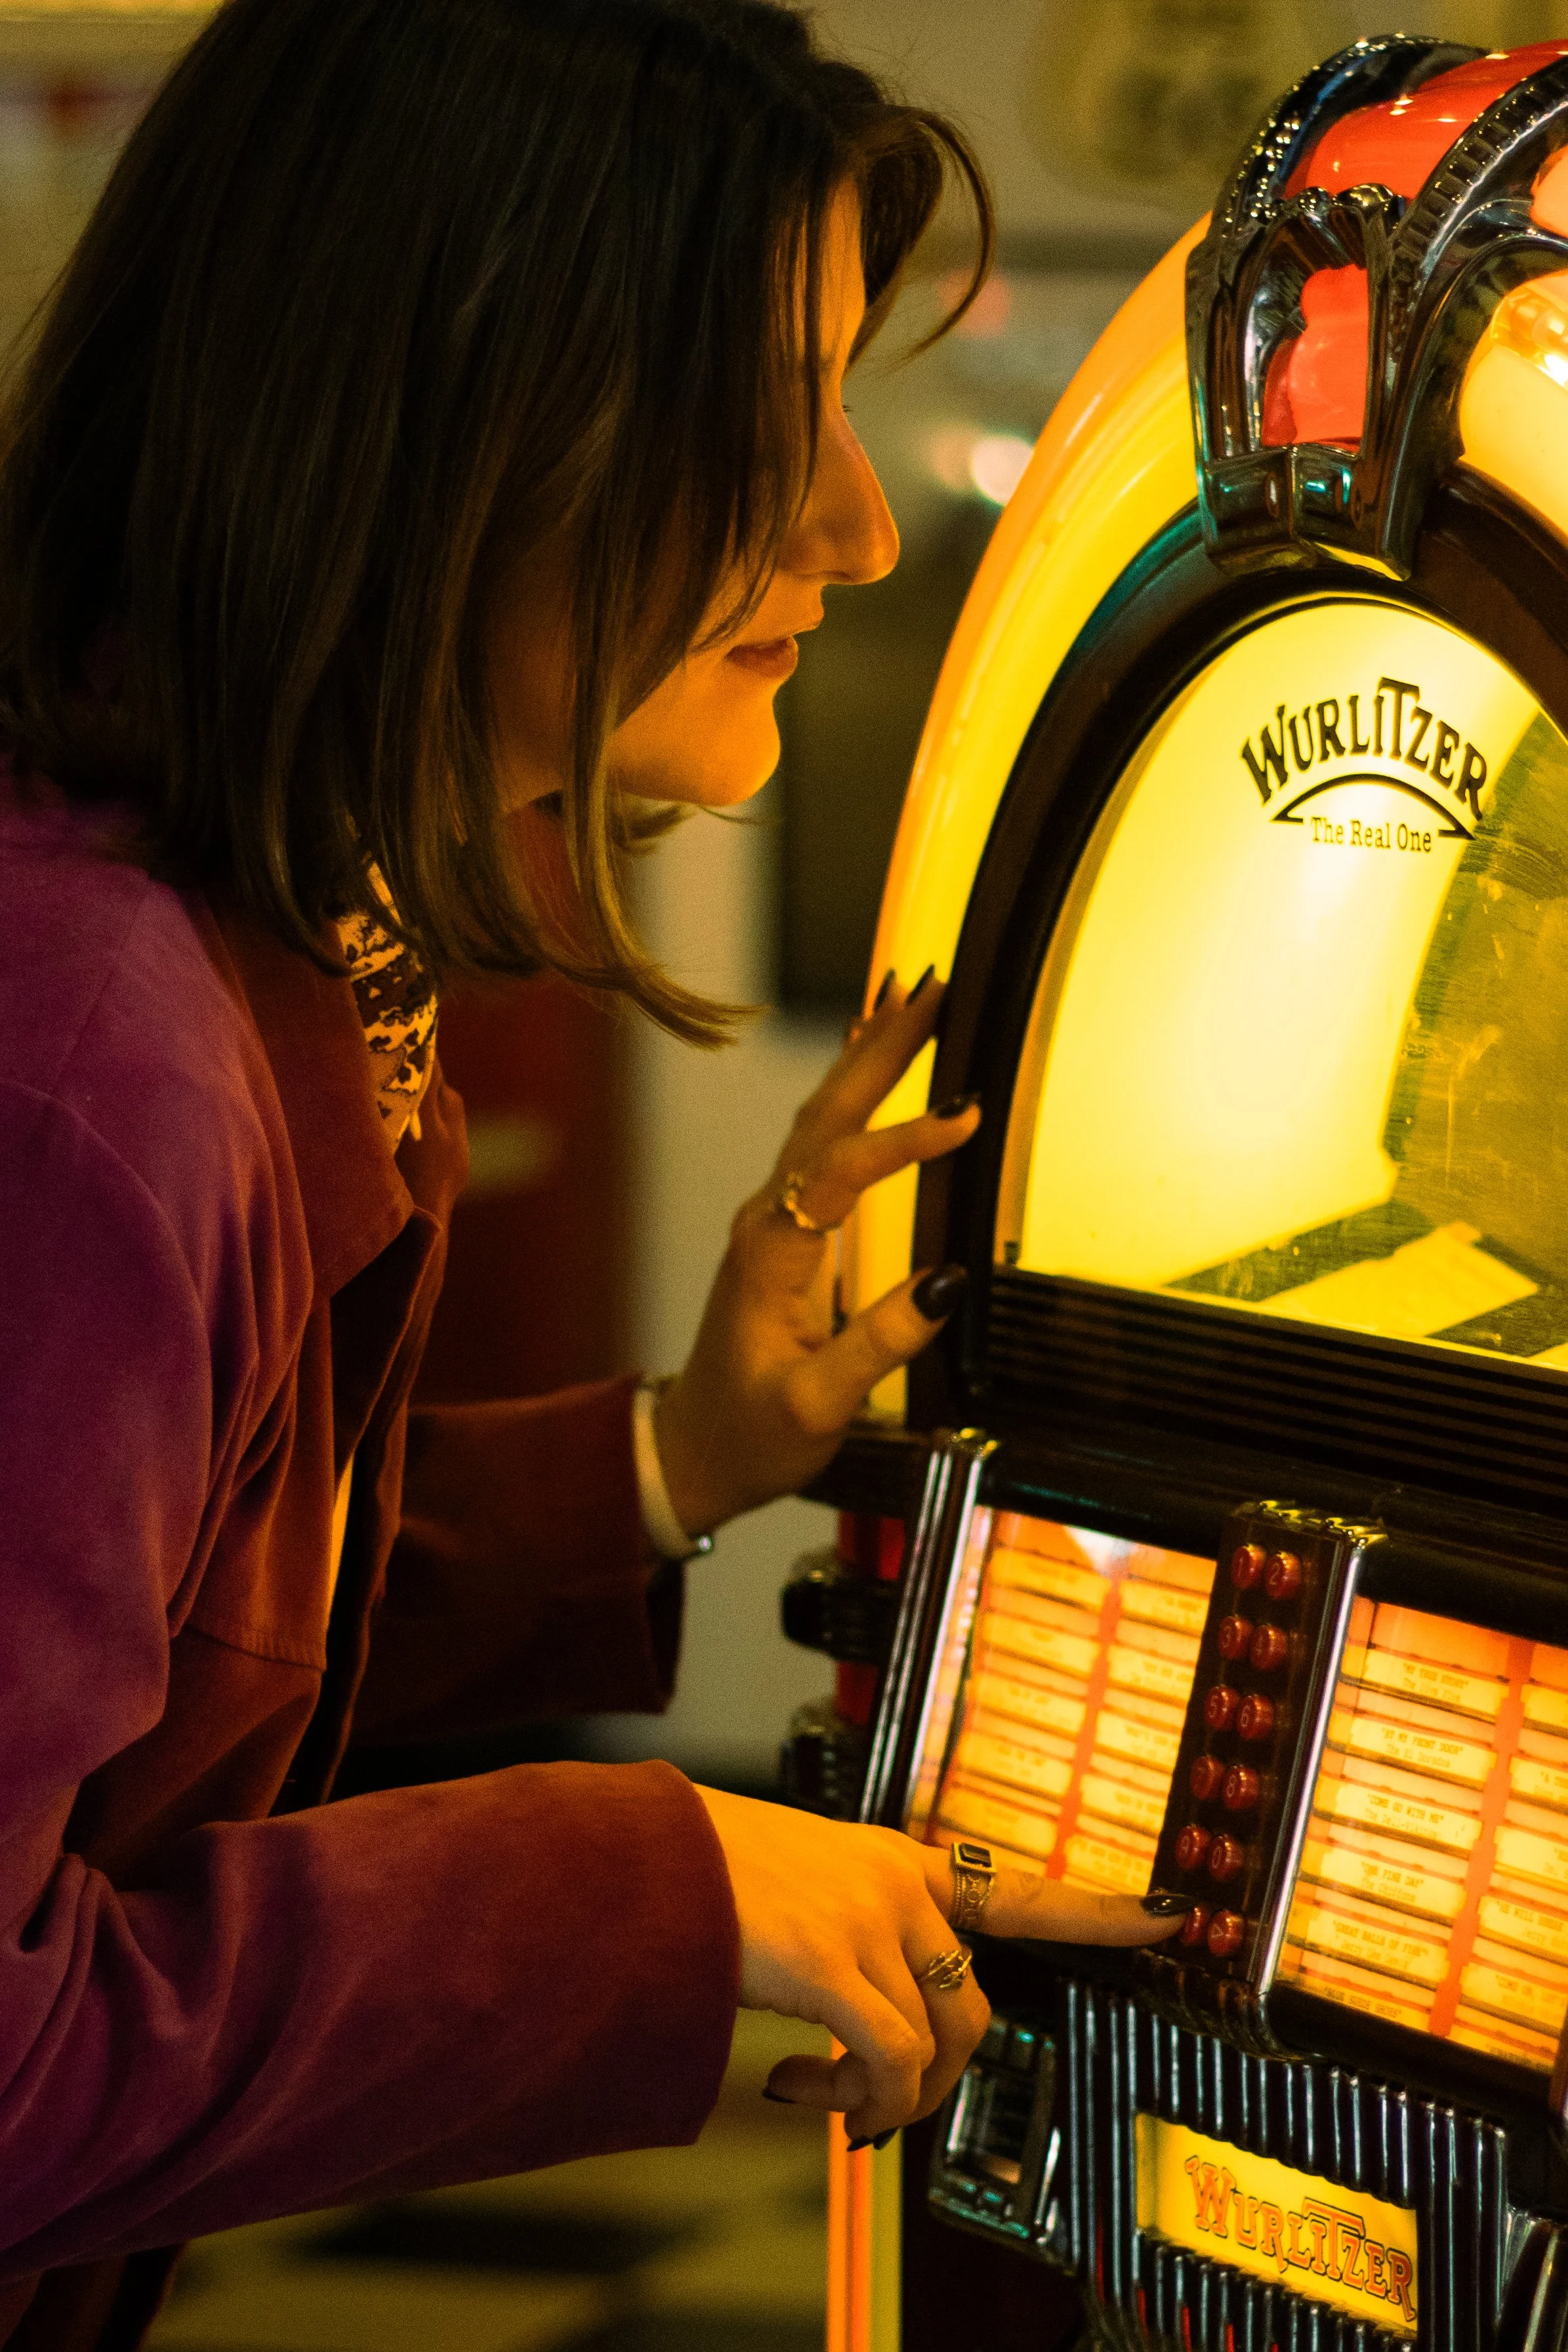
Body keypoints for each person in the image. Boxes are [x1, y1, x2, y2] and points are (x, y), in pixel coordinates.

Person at [0, 1, 1184, 2343]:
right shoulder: (91, 1035)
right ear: (451, 427)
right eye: (767, 416)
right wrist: (671, 1875)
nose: (854, 525)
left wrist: (676, 1455)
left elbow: (170, 1626)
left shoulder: (272, 937)